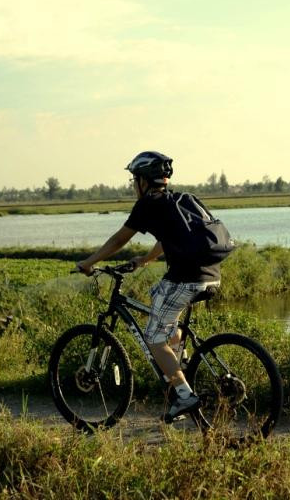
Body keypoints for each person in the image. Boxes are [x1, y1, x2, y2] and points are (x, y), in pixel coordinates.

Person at [75, 151, 222, 422]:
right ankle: (180, 368)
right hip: (211, 275)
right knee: (160, 303)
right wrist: (144, 260)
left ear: (143, 180)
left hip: (185, 278)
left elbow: (119, 240)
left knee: (153, 338)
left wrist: (89, 262)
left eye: (134, 179)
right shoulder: (178, 200)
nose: (134, 185)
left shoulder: (148, 204)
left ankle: (184, 394)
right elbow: (167, 239)